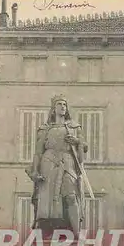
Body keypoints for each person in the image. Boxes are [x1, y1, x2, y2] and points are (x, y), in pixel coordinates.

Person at [26, 95, 88, 238]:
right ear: (53, 109)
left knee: (71, 196)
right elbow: (38, 152)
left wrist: (77, 141)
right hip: (48, 162)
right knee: (47, 200)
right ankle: (47, 233)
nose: (62, 106)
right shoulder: (45, 128)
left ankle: (77, 234)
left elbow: (84, 147)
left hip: (67, 162)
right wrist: (35, 170)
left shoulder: (74, 127)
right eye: (59, 104)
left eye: (64, 104)